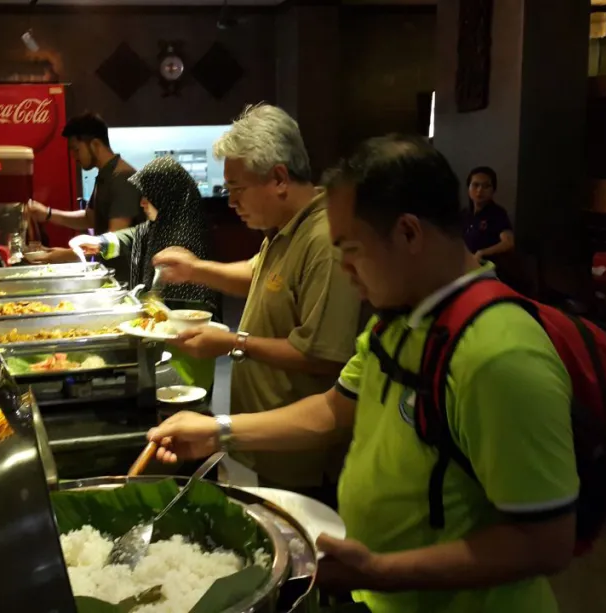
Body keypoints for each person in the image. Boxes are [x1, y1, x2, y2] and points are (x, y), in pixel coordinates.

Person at [148, 135, 578, 612]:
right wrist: (218, 432)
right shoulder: (397, 319)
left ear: (409, 233)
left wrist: (382, 572)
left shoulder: (500, 354)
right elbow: (334, 410)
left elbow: (545, 542)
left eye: (350, 248)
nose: (344, 269)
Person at [151, 104, 364, 506]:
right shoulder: (284, 228)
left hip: (306, 454)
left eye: (237, 189)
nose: (231, 202)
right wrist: (194, 269)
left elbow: (323, 356)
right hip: (274, 443)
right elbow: (258, 276)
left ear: (279, 178)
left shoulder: (323, 239)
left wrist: (233, 343)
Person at [70, 156, 220, 312]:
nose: (142, 202)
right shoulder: (164, 223)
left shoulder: (185, 238)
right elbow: (135, 234)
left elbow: (182, 309)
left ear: (167, 196)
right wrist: (100, 242)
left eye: (148, 195)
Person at [26, 112, 144, 276]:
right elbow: (89, 218)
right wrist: (47, 214)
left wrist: (61, 255)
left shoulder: (122, 178)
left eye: (76, 149)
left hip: (129, 278)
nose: (73, 156)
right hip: (112, 273)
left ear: (95, 144)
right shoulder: (105, 175)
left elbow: (114, 240)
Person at [464, 166, 514, 260]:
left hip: (487, 267)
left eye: (486, 186)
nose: (480, 190)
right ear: (468, 188)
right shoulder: (465, 213)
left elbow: (509, 242)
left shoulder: (497, 213)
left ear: (493, 190)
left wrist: (482, 253)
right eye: (475, 185)